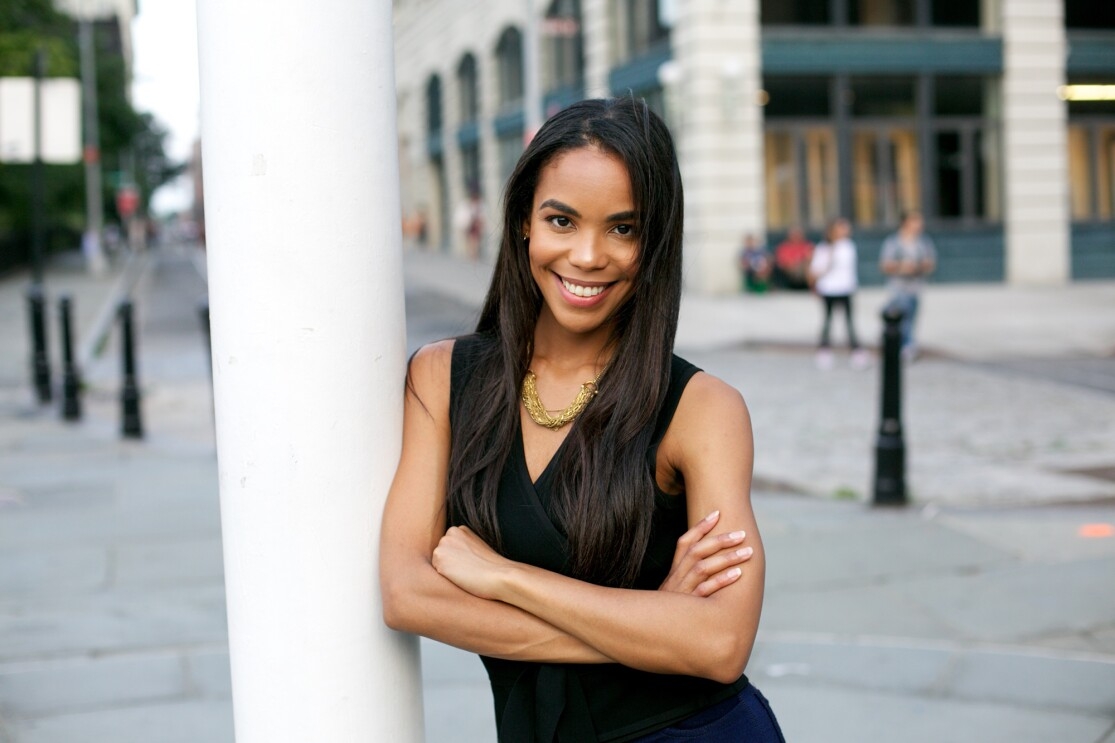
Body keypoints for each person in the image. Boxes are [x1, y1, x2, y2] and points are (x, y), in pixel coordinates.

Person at [380, 98, 784, 742]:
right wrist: (653, 626)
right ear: (523, 223)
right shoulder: (441, 379)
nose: (588, 255)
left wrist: (505, 577)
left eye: (622, 229)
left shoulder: (704, 409)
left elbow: (720, 643)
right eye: (561, 220)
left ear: (653, 243)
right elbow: (407, 594)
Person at [809, 217, 868, 370]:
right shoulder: (823, 248)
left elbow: (850, 270)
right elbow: (816, 270)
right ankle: (824, 350)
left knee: (849, 322)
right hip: (829, 289)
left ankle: (856, 351)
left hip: (846, 289)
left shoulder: (849, 246)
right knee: (828, 320)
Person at [879, 210, 936, 360]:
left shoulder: (923, 242)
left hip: (915, 287)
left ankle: (906, 346)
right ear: (905, 223)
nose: (919, 225)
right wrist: (901, 267)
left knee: (910, 319)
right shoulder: (893, 242)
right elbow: (884, 265)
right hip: (898, 287)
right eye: (915, 221)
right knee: (902, 319)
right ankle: (905, 346)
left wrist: (919, 266)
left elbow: (930, 263)